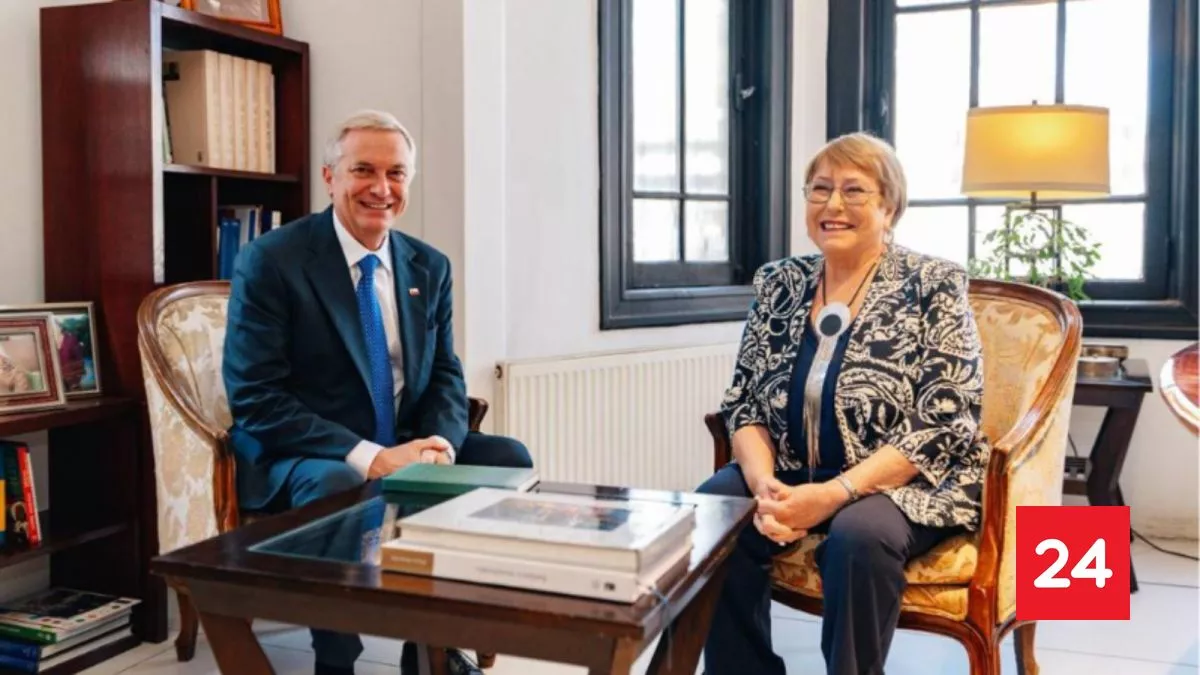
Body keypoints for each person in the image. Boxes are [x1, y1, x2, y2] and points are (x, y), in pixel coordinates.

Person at [223, 109, 533, 675]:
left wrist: (439, 442)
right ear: (329, 177)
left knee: (506, 459)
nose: (380, 188)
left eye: (396, 174)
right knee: (341, 480)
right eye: (363, 169)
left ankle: (435, 648)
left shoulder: (428, 265)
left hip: (406, 436)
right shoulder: (273, 260)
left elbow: (445, 371)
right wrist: (373, 457)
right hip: (307, 452)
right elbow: (255, 396)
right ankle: (336, 659)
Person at [697, 132, 990, 675]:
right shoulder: (778, 282)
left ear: (889, 206)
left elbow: (944, 421)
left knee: (860, 536)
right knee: (715, 510)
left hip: (904, 482)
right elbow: (744, 403)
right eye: (820, 189)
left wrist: (833, 495)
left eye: (854, 191)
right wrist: (764, 488)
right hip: (787, 466)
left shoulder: (934, 284)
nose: (832, 205)